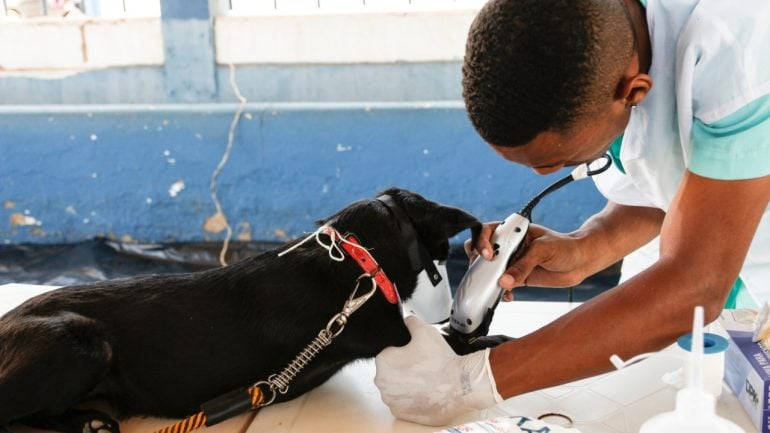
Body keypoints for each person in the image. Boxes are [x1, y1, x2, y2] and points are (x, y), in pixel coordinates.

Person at [373, 0, 770, 426]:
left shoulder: (738, 51)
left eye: (560, 159)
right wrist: (587, 244)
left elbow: (695, 283)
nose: (543, 173)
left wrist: (473, 380)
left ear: (634, 91)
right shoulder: (602, 42)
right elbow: (679, 180)